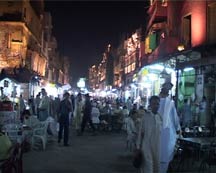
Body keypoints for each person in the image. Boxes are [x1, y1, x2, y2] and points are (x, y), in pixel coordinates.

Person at [136, 96, 162, 173]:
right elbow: (140, 133)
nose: (156, 106)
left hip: (157, 147)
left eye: (157, 104)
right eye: (154, 104)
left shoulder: (160, 117)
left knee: (156, 167)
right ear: (150, 104)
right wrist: (138, 147)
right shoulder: (145, 117)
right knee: (148, 168)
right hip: (146, 147)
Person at [158, 87, 181, 173]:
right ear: (167, 94)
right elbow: (175, 119)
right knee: (166, 153)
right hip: (168, 132)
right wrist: (178, 129)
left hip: (158, 131)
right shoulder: (170, 103)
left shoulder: (156, 102)